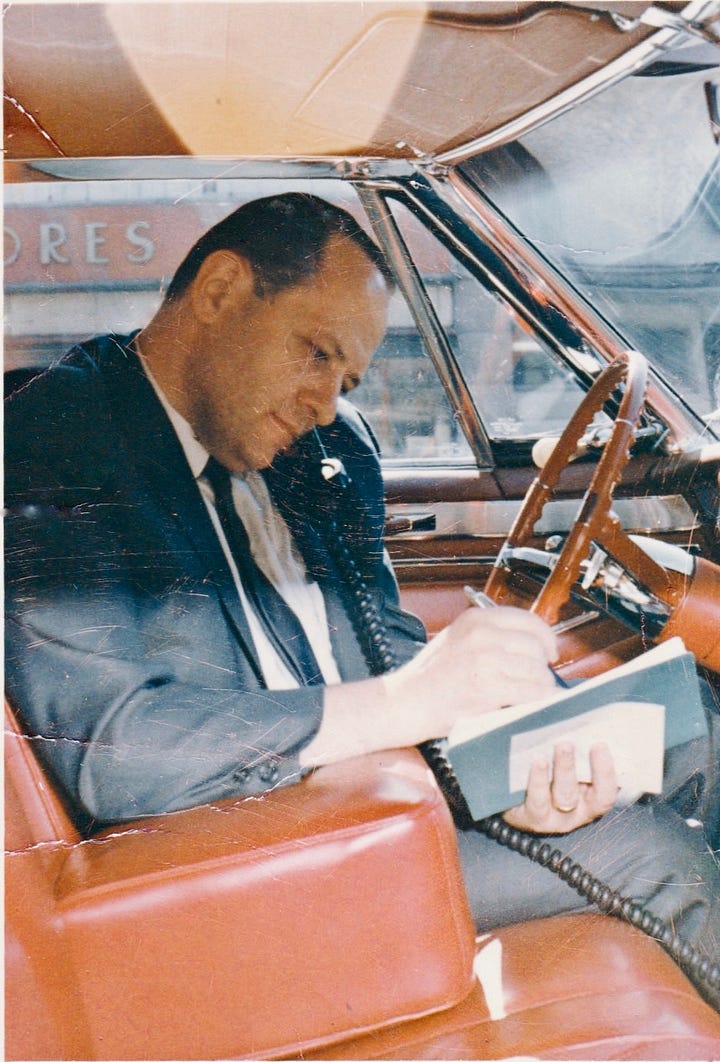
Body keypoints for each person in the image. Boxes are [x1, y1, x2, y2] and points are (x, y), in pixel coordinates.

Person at [5, 193, 719, 1009]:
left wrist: (522, 740)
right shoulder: (56, 437)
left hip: (377, 791)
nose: (326, 404)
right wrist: (406, 702)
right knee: (655, 854)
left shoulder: (318, 455)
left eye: (346, 378)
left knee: (694, 736)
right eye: (314, 352)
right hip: (252, 861)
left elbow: (384, 649)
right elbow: (114, 749)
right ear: (220, 292)